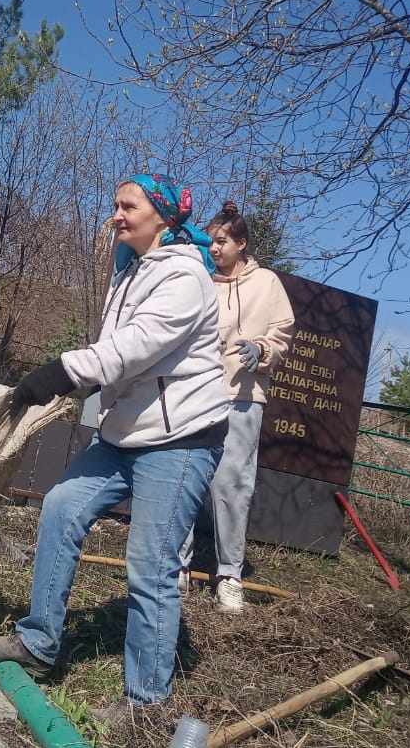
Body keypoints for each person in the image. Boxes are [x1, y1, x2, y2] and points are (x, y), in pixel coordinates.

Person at [0, 173, 230, 727]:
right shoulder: (131, 269)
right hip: (125, 432)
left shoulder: (184, 277)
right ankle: (38, 644)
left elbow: (133, 350)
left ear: (161, 214)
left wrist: (62, 372)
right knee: (62, 507)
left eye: (127, 206)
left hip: (180, 436)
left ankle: (145, 705)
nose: (116, 214)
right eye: (114, 204)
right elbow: (114, 351)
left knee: (150, 564)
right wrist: (82, 383)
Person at [179, 201, 294, 612]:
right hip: (194, 393)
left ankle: (230, 574)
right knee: (184, 477)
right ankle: (178, 565)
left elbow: (282, 333)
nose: (213, 248)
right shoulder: (199, 280)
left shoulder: (268, 283)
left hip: (242, 397)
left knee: (232, 485)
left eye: (222, 241)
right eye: (210, 240)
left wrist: (261, 349)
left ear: (242, 244)